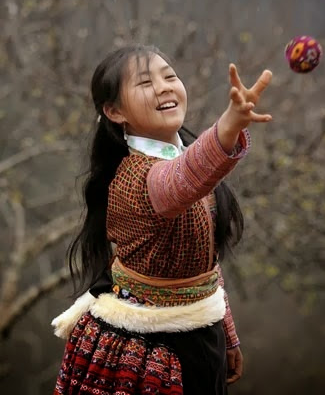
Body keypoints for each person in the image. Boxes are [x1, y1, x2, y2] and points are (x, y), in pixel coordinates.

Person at [51, 43, 272, 395]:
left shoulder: (186, 160)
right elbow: (182, 180)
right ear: (114, 111)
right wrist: (229, 124)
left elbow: (201, 264)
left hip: (201, 337)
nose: (164, 86)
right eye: (145, 83)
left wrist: (226, 331)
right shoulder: (134, 179)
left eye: (169, 76)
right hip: (141, 355)